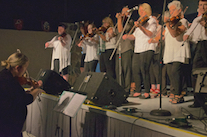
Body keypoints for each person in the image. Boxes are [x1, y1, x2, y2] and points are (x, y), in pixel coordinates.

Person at [150, 0, 190, 103]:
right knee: (170, 73)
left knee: (176, 73)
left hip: (178, 51)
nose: (171, 12)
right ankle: (174, 92)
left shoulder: (183, 21)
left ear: (179, 10)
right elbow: (161, 37)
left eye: (173, 10)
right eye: (170, 10)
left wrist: (168, 24)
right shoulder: (171, 23)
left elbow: (175, 34)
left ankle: (178, 95)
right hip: (169, 52)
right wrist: (154, 39)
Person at [0, 52, 44, 137]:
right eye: (25, 68)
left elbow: (14, 96)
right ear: (18, 68)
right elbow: (25, 99)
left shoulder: (5, 75)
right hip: (8, 127)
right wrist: (37, 90)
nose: (25, 72)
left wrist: (30, 90)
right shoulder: (10, 81)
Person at [122, 3, 157, 99]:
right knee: (135, 68)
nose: (141, 12)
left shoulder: (151, 20)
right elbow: (134, 36)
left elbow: (150, 33)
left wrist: (141, 27)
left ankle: (146, 91)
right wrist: (127, 36)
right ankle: (137, 90)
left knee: (144, 69)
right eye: (140, 11)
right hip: (138, 49)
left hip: (147, 47)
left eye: (143, 10)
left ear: (147, 10)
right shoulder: (139, 22)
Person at [183, 0, 207, 108]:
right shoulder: (197, 19)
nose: (203, 7)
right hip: (199, 46)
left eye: (205, 5)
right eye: (201, 5)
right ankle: (198, 100)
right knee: (196, 73)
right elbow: (190, 32)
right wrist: (187, 36)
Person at [115, 6, 134, 95]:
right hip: (119, 49)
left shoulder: (130, 22)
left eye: (125, 12)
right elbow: (115, 33)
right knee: (119, 70)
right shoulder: (120, 22)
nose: (123, 14)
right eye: (122, 12)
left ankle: (127, 89)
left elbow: (121, 31)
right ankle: (120, 88)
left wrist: (119, 20)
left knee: (127, 70)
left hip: (127, 48)